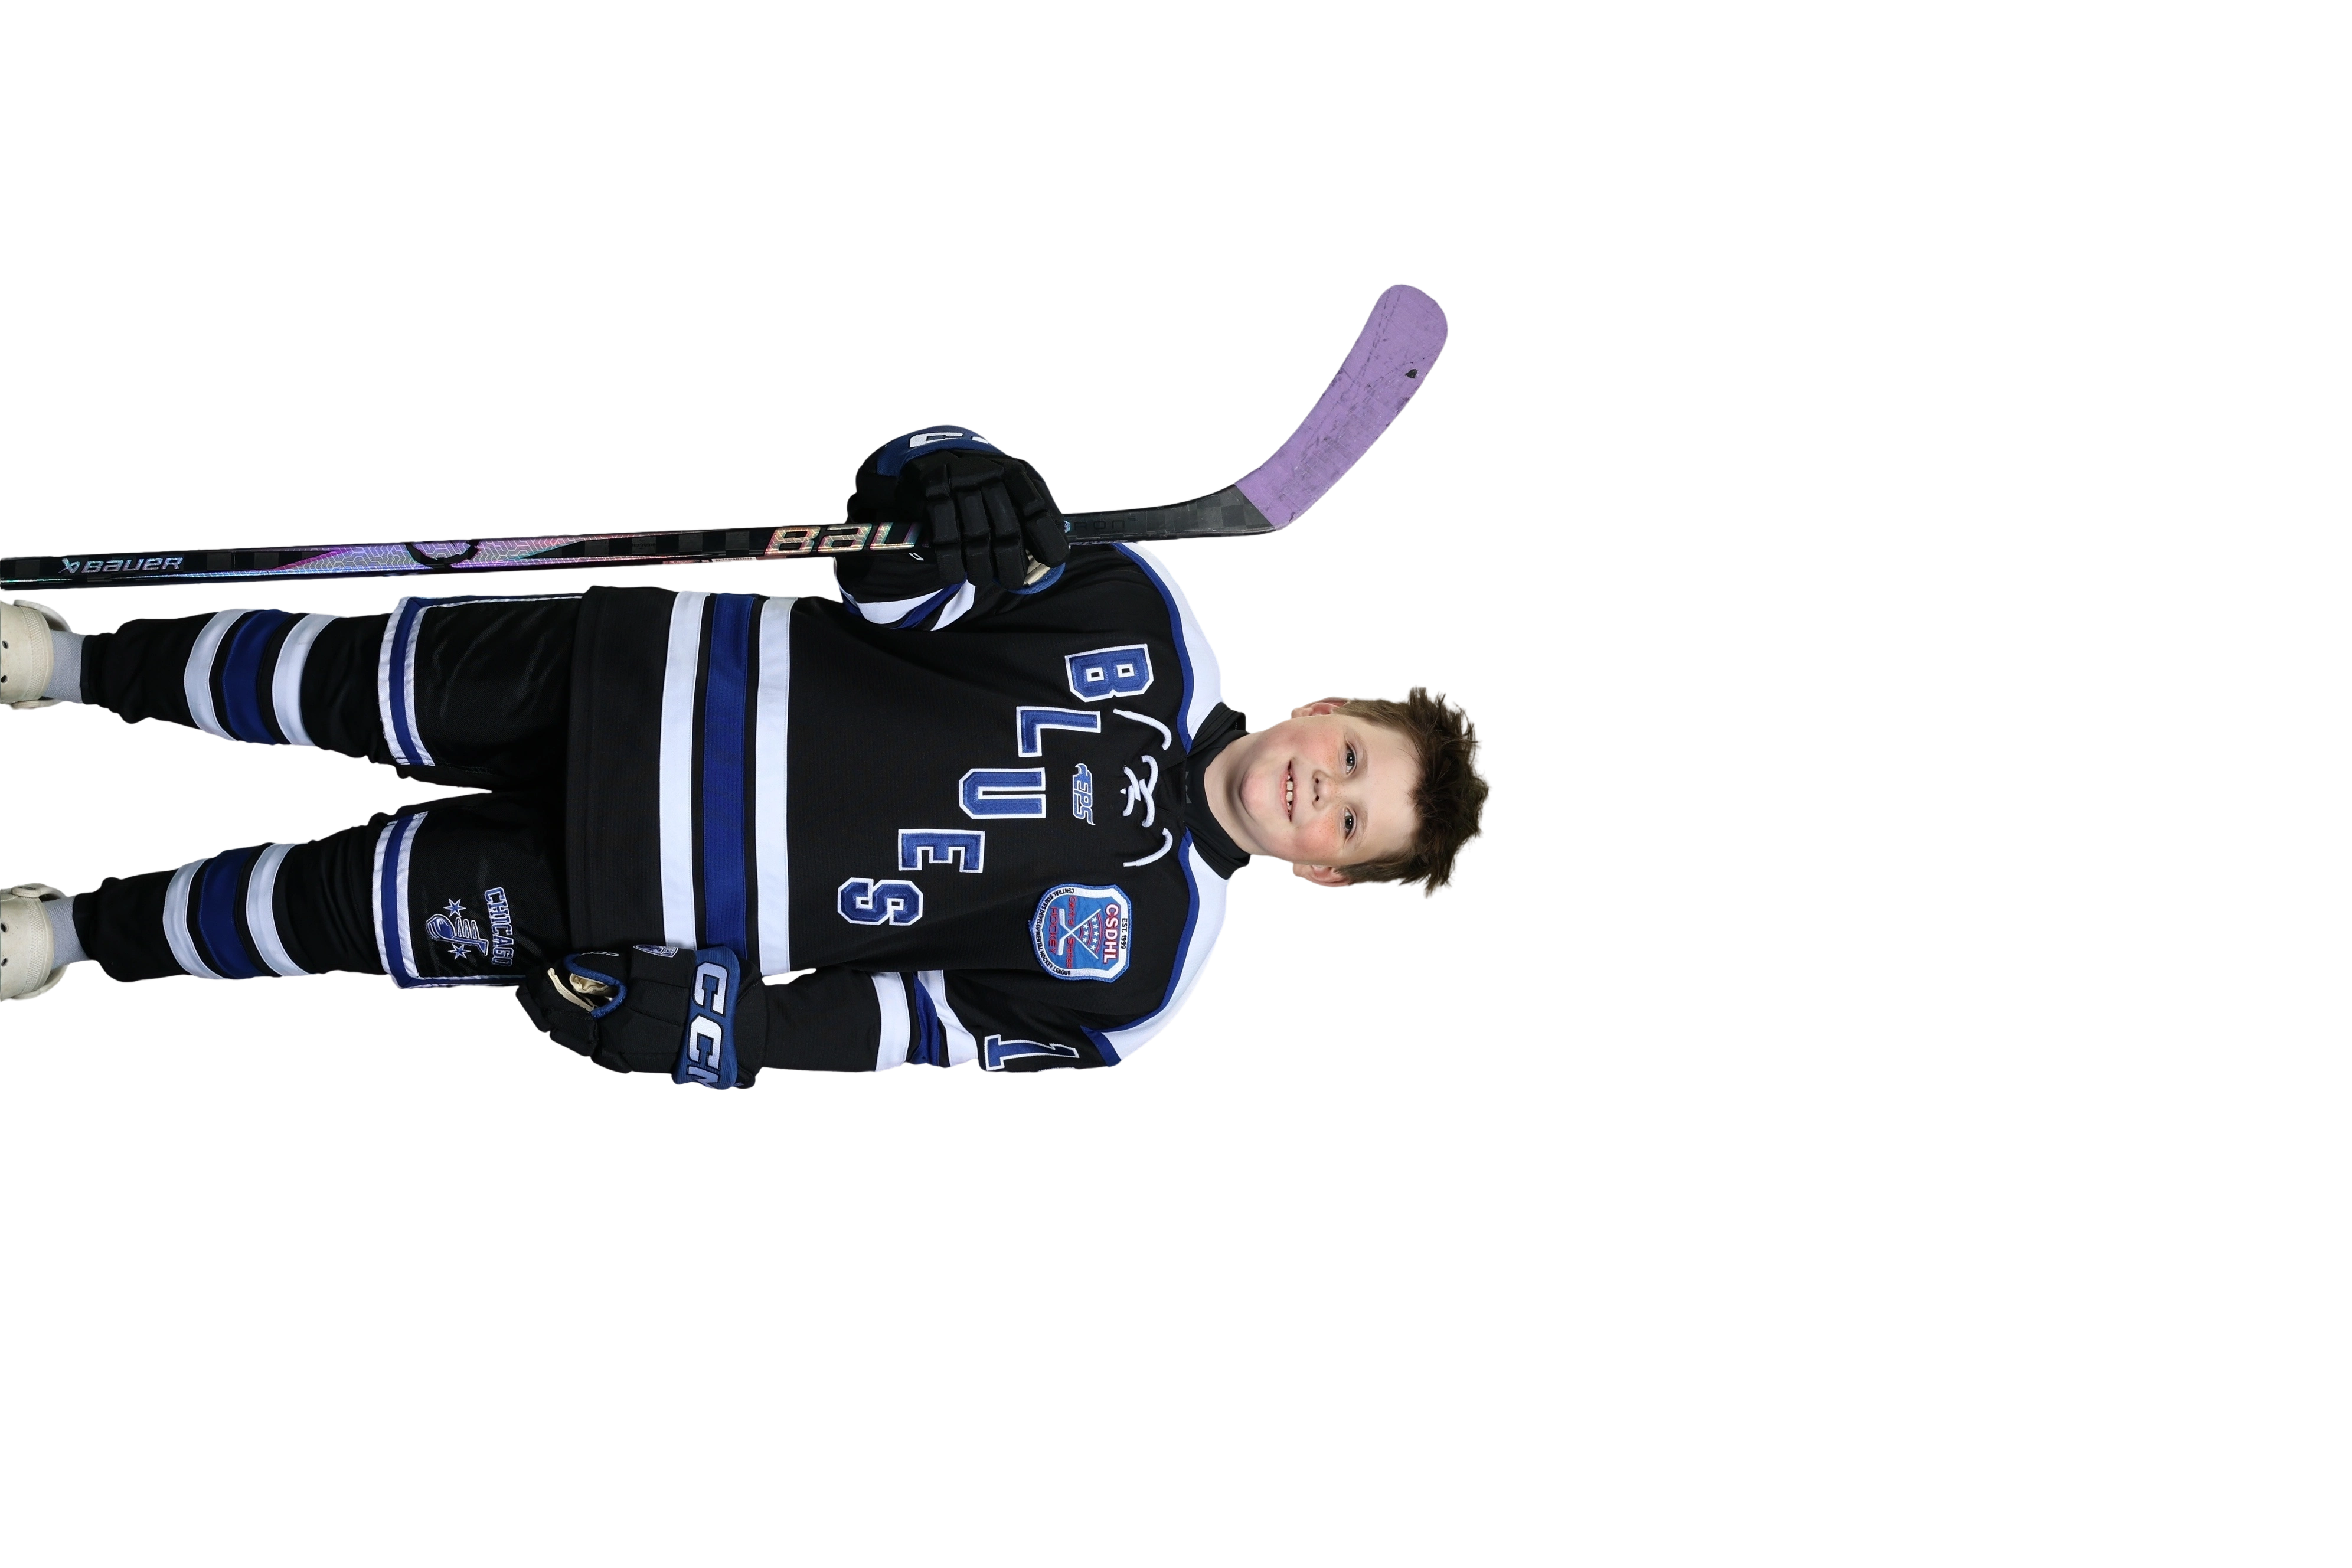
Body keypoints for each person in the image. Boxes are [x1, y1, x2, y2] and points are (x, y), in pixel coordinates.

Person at [0, 426, 1493, 1084]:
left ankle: (67, 931)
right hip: (631, 678)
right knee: (332, 679)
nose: (1325, 787)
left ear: (1326, 872)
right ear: (1327, 707)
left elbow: (911, 1024)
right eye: (1353, 754)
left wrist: (721, 1036)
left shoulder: (1139, 977)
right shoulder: (1142, 614)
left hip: (628, 899)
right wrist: (956, 482)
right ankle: (69, 662)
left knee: (329, 914)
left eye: (1353, 822)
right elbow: (896, 560)